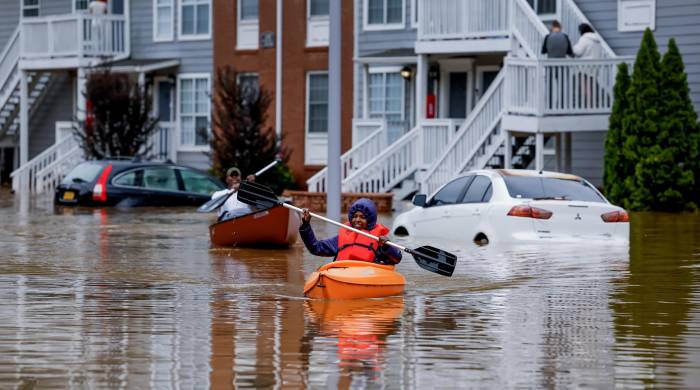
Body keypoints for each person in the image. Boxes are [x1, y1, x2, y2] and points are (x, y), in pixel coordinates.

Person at [298, 198, 402, 265]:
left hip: (368, 276)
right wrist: (306, 225)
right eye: (355, 216)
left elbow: (396, 259)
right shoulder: (342, 238)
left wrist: (387, 247)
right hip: (342, 275)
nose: (357, 220)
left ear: (370, 220)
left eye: (362, 217)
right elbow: (315, 248)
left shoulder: (379, 241)